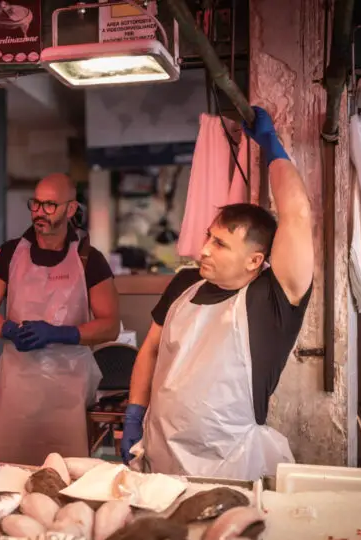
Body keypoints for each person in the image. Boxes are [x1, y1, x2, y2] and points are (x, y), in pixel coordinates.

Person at [121, 106, 314, 480]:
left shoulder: (274, 300)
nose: (205, 248)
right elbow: (151, 349)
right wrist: (133, 412)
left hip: (231, 464)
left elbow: (298, 213)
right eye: (209, 236)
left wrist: (271, 145)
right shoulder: (183, 284)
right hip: (160, 454)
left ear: (254, 260)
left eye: (221, 244)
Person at [0, 173, 120, 466]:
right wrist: (8, 329)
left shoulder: (88, 258)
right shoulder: (10, 253)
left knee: (65, 469)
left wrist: (59, 334)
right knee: (11, 467)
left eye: (50, 205)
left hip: (68, 386)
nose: (40, 212)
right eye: (36, 204)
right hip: (18, 384)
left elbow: (110, 325)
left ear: (70, 209)